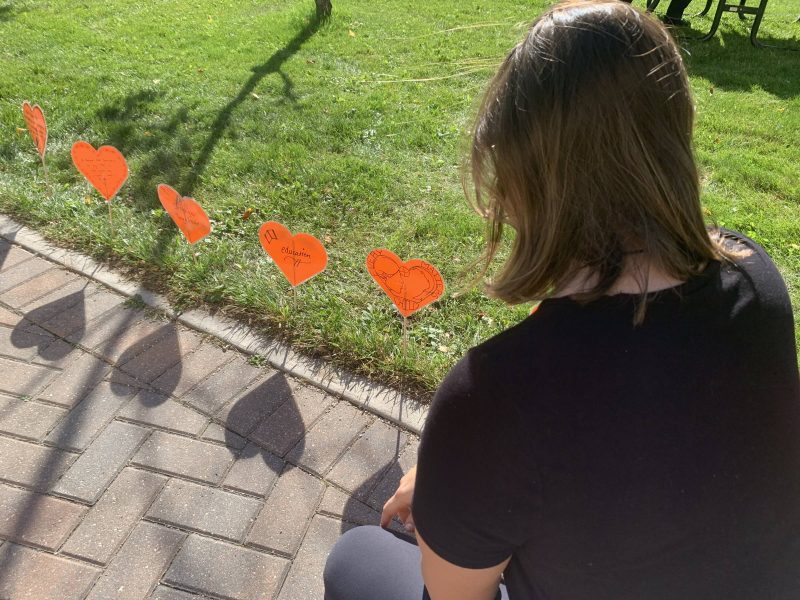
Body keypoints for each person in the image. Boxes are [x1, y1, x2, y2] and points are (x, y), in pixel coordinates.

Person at [324, 1, 800, 598]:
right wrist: (462, 480)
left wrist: (461, 478)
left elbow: (452, 596)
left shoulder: (493, 395)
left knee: (356, 557)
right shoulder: (758, 282)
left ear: (521, 181)